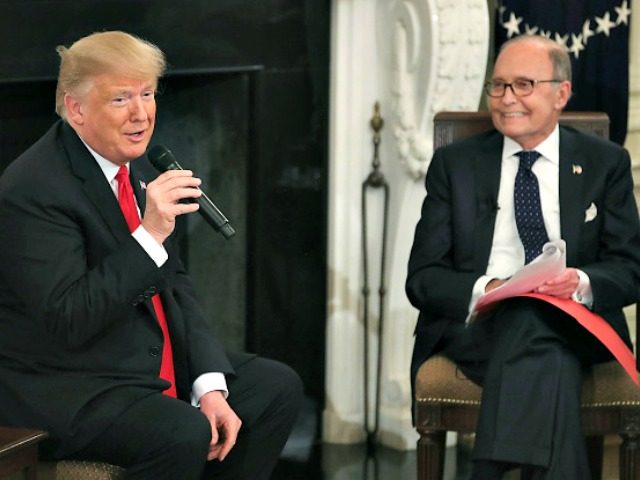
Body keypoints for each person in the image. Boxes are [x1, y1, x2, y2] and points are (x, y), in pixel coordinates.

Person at [0, 30, 302, 480]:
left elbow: (175, 285)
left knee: (275, 388)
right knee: (181, 432)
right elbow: (69, 317)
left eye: (147, 93)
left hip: (131, 352)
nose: (141, 114)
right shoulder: (33, 189)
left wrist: (208, 384)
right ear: (76, 108)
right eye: (121, 99)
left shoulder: (134, 163)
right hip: (65, 380)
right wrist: (151, 232)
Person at [406, 34, 640, 479]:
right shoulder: (455, 165)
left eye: (523, 85)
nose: (506, 99)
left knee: (536, 320)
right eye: (498, 86)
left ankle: (491, 467)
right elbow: (422, 278)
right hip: (478, 327)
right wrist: (491, 289)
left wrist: (580, 283)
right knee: (541, 343)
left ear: (561, 94)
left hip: (577, 320)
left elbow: (630, 268)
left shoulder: (603, 162)